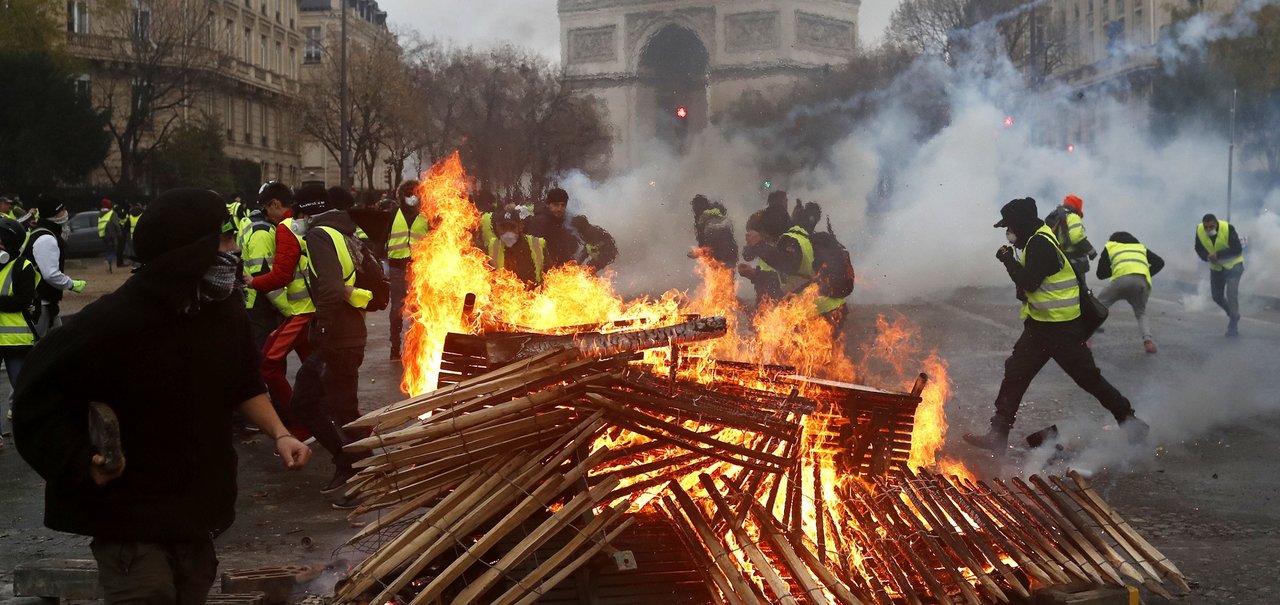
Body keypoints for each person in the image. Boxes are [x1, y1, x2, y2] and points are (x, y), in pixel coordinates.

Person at [12, 188, 311, 604]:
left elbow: (242, 383)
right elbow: (33, 403)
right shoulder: (114, 322)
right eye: (224, 238)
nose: (234, 248)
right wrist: (81, 463)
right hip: (132, 524)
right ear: (189, 251)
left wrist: (280, 433)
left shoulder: (223, 312)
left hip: (198, 515)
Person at [963, 197, 1149, 453]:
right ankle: (998, 433)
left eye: (1011, 226)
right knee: (1015, 374)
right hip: (1041, 328)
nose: (1009, 232)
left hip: (1061, 330)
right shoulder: (1035, 239)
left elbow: (1030, 282)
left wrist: (1007, 260)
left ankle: (1131, 422)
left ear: (1021, 223)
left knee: (1089, 379)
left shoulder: (1040, 243)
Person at [293, 189, 375, 500]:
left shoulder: (318, 235)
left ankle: (362, 472)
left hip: (338, 338)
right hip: (348, 334)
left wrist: (323, 326)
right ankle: (351, 464)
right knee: (326, 405)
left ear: (306, 213)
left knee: (339, 410)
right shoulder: (344, 231)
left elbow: (328, 287)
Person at [251, 186, 321, 440]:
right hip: (318, 310)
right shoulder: (316, 223)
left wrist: (252, 282)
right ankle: (322, 419)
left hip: (301, 313)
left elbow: (282, 275)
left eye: (265, 207)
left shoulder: (287, 227)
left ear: (276, 203)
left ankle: (300, 423)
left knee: (268, 364)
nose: (265, 213)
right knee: (315, 369)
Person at [0, 218, 38, 450]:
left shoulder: (22, 266)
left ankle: (34, 434)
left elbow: (24, 299)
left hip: (16, 340)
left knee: (23, 390)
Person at [242, 183, 293, 351]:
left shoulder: (253, 225)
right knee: (267, 359)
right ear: (275, 204)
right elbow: (266, 280)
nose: (267, 213)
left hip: (254, 304)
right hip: (261, 307)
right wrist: (290, 311)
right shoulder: (263, 233)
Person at [24, 196, 86, 337]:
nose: (66, 213)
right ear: (53, 214)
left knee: (58, 341)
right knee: (39, 346)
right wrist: (71, 284)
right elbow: (50, 274)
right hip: (41, 303)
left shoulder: (46, 232)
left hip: (46, 302)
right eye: (62, 210)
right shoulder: (46, 238)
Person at [1096, 232, 1165, 354]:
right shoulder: (1140, 247)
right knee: (1141, 313)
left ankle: (1087, 340)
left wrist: (1117, 269)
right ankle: (1148, 342)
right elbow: (1160, 262)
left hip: (1120, 282)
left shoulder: (1111, 246)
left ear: (1113, 240)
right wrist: (1145, 273)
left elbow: (1100, 274)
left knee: (1096, 308)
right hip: (1140, 282)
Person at [385, 179, 428, 362]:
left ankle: (416, 346)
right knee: (396, 308)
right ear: (401, 196)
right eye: (408, 193)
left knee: (418, 308)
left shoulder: (426, 217)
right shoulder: (392, 215)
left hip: (419, 267)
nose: (412, 197)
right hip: (397, 267)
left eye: (415, 193)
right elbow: (381, 237)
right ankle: (395, 347)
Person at [1194, 213, 1244, 337]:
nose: (1208, 230)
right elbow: (1198, 247)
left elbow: (1237, 248)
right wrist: (1206, 257)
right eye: (1206, 227)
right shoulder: (1199, 230)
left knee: (1231, 294)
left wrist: (1219, 254)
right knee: (1216, 296)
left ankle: (1233, 325)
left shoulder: (1228, 228)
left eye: (1211, 227)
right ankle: (1233, 315)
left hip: (1233, 266)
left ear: (1216, 223)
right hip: (1216, 268)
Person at [489, 206, 548, 287]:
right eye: (503, 227)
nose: (508, 233)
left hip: (534, 296)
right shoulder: (492, 247)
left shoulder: (537, 244)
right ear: (497, 227)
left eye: (512, 227)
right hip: (503, 296)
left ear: (520, 226)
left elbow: (550, 275)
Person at [525, 187, 582, 270]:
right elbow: (532, 251)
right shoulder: (541, 221)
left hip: (557, 273)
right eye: (556, 205)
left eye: (563, 205)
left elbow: (562, 248)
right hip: (544, 273)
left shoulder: (559, 222)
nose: (559, 209)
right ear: (548, 204)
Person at [1045, 194, 1097, 280]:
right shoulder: (1073, 217)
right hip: (1074, 262)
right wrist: (1091, 252)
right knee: (1081, 289)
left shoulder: (1055, 216)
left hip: (1058, 260)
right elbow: (1076, 237)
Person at [689, 194, 738, 268]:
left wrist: (701, 252)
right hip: (730, 254)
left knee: (721, 276)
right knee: (726, 276)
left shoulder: (706, 221)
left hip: (719, 257)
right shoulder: (720, 216)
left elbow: (712, 244)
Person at [98, 199, 122, 272]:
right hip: (111, 234)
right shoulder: (112, 213)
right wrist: (119, 232)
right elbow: (116, 224)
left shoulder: (100, 214)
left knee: (107, 249)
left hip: (103, 235)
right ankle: (109, 260)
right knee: (113, 249)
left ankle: (107, 261)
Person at [111, 204, 130, 268]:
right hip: (121, 233)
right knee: (120, 249)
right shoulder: (118, 214)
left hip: (120, 232)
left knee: (120, 249)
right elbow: (121, 222)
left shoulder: (116, 214)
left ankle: (120, 262)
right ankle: (120, 263)